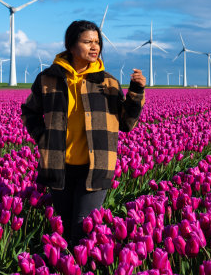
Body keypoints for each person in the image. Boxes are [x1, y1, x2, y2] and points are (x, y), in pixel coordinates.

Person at [21, 20, 146, 246]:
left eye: (97, 42)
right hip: (59, 166)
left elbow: (127, 123)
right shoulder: (47, 79)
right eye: (88, 41)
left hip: (96, 166)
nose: (95, 47)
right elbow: (29, 111)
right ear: (70, 45)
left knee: (82, 229)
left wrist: (136, 92)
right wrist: (42, 137)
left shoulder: (107, 82)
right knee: (65, 226)